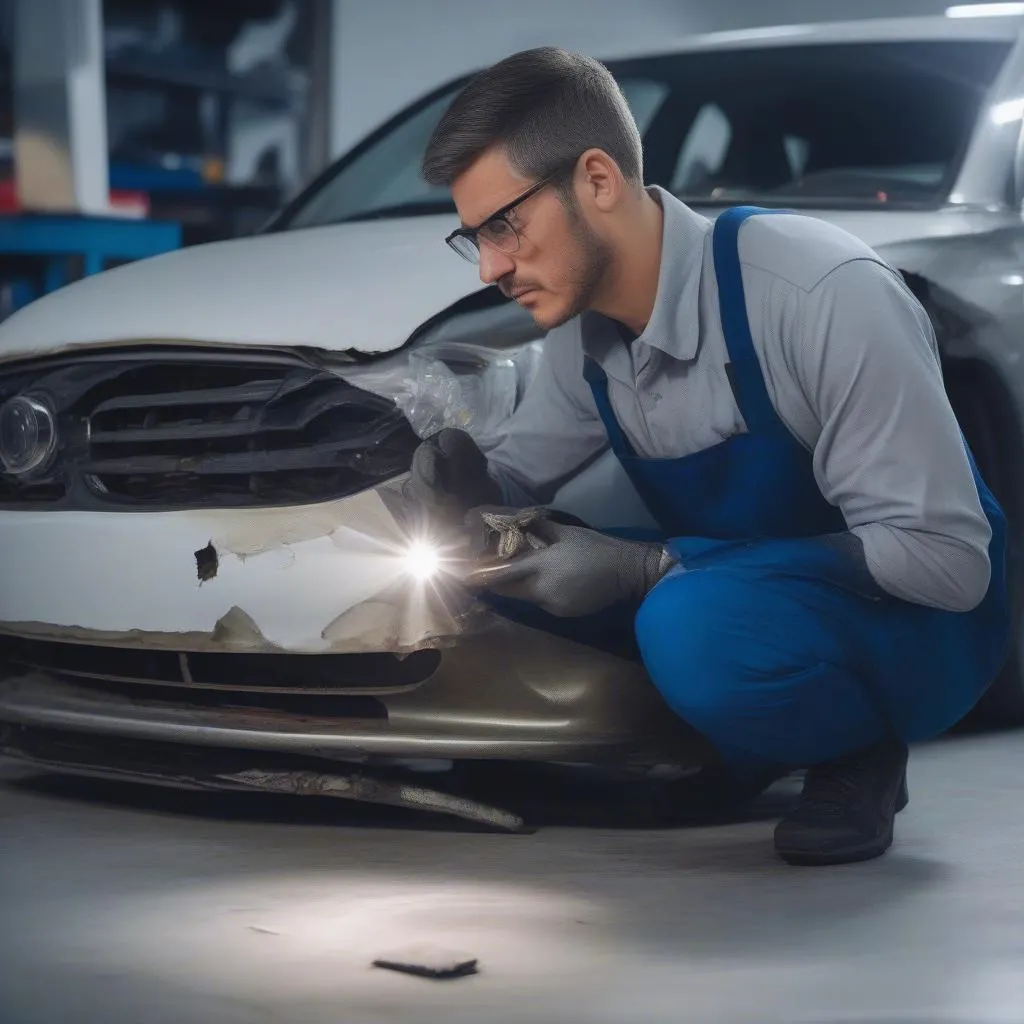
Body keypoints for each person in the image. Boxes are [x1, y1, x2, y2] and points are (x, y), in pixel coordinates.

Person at [406, 47, 1011, 865]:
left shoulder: (819, 293)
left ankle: (854, 749)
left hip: (920, 630)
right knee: (500, 560)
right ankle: (736, 732)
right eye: (471, 236)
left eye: (504, 226)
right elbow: (517, 475)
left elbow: (946, 565)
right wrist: (461, 479)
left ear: (597, 179)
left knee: (688, 622)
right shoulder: (588, 336)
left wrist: (652, 568)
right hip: (753, 600)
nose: (490, 266)